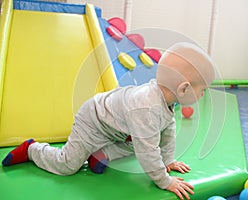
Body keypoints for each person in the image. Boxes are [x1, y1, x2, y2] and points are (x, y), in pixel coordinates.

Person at [2, 42, 215, 200]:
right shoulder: (147, 107)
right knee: (67, 165)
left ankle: (102, 155)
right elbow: (148, 152)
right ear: (184, 88)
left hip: (119, 128)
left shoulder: (167, 102)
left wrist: (168, 161)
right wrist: (164, 180)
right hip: (93, 120)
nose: (203, 94)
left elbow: (166, 132)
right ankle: (32, 149)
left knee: (145, 141)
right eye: (202, 90)